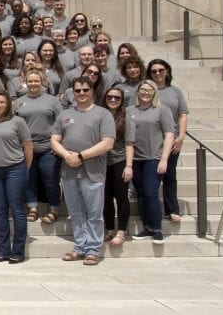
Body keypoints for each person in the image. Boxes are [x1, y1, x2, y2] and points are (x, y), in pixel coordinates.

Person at [51, 76, 116, 266]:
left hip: (93, 171)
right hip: (69, 171)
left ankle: (93, 249)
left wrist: (80, 156)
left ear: (92, 91)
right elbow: (54, 139)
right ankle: (80, 246)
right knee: (76, 211)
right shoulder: (64, 115)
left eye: (85, 90)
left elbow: (107, 143)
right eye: (77, 91)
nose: (81, 94)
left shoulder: (103, 114)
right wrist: (67, 156)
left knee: (94, 212)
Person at [0, 91, 33, 262]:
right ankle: (2, 250)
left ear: (8, 104)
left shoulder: (18, 122)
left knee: (18, 210)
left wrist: (24, 169)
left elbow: (28, 147)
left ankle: (18, 251)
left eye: (2, 102)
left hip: (15, 169)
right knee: (0, 211)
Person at [14, 69, 64, 225]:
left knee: (50, 179)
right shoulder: (18, 102)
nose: (33, 84)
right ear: (25, 83)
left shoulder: (52, 101)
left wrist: (59, 144)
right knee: (29, 179)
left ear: (42, 82)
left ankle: (54, 209)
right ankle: (33, 208)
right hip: (27, 148)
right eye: (30, 81)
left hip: (48, 147)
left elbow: (61, 122)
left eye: (36, 81)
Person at [128, 80, 175, 245]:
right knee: (140, 194)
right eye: (143, 90)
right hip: (135, 158)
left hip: (153, 158)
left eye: (150, 90)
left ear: (155, 93)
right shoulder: (129, 111)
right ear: (137, 91)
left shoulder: (162, 110)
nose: (146, 93)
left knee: (151, 193)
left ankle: (157, 229)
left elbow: (169, 134)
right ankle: (146, 226)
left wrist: (164, 159)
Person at [147, 59, 189, 223]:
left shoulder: (175, 91)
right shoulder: (146, 91)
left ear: (167, 71)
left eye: (161, 70)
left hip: (171, 139)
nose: (158, 73)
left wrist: (181, 136)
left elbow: (183, 114)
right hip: (151, 139)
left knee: (170, 174)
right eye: (154, 71)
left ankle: (172, 209)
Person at [101, 87, 135, 247]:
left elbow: (129, 143)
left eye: (117, 98)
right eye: (110, 97)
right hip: (101, 162)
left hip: (119, 160)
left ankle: (121, 231)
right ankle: (108, 228)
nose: (113, 100)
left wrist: (128, 166)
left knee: (121, 198)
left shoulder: (127, 118)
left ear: (122, 100)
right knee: (106, 198)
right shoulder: (100, 115)